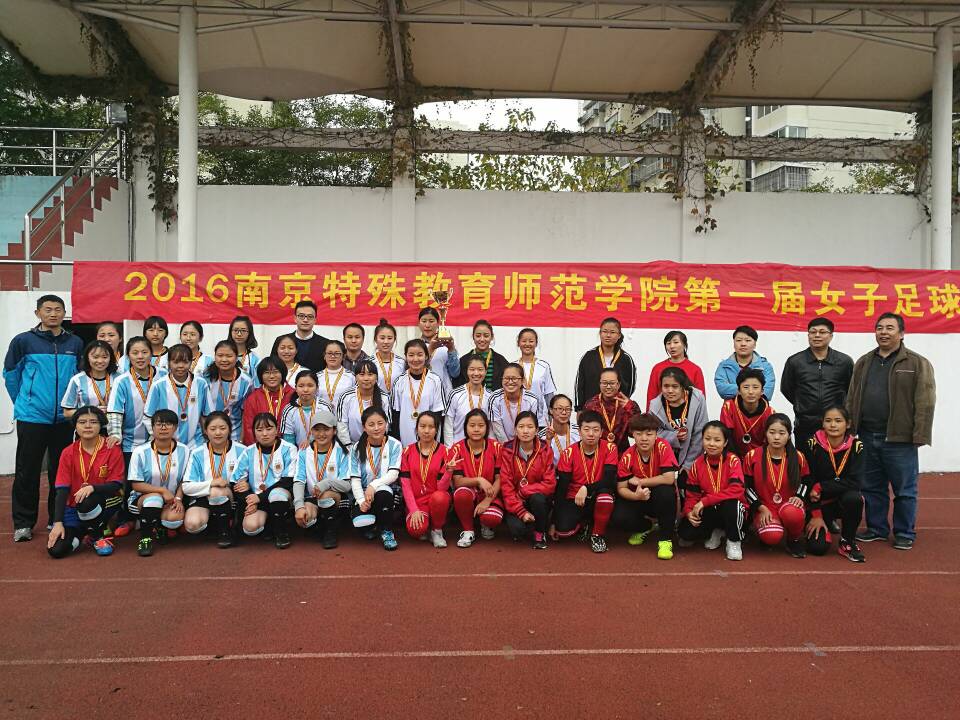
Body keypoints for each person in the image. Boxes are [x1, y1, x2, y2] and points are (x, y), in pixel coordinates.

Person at [846, 312, 936, 551]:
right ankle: (877, 528)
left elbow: (926, 401)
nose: (883, 332)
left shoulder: (916, 363)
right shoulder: (864, 361)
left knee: (904, 490)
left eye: (889, 328)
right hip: (867, 435)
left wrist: (920, 434)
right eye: (879, 328)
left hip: (900, 438)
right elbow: (852, 397)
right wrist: (850, 428)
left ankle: (904, 532)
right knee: (871, 487)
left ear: (902, 333)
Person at [4, 294, 84, 542]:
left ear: (64, 313)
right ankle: (23, 523)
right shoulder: (23, 341)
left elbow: (80, 378)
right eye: (47, 309)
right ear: (37, 313)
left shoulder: (75, 343)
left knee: (60, 472)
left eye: (58, 309)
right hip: (32, 417)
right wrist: (25, 402)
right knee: (27, 471)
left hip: (64, 419)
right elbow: (11, 375)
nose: (53, 314)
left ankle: (55, 518)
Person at [47, 406, 124, 558]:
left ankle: (97, 536)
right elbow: (62, 490)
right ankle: (84, 531)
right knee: (57, 550)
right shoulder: (68, 452)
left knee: (87, 502)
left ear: (101, 425)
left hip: (105, 501)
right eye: (82, 422)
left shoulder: (112, 449)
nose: (88, 426)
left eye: (93, 422)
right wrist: (58, 523)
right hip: (74, 507)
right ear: (75, 426)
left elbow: (116, 485)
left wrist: (92, 488)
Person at [743, 414, 813, 558]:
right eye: (772, 432)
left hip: (788, 505)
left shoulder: (798, 457)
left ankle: (793, 540)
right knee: (771, 536)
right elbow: (746, 487)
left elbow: (806, 481)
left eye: (782, 433)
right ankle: (765, 532)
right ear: (766, 433)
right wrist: (760, 508)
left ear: (788, 435)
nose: (776, 437)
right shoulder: (752, 456)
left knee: (792, 513)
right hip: (765, 507)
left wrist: (799, 497)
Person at [803, 406, 866, 562]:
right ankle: (821, 522)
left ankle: (847, 540)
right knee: (818, 548)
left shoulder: (857, 447)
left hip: (842, 501)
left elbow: (855, 482)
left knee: (854, 499)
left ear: (848, 424)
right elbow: (808, 480)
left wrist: (821, 486)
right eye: (828, 421)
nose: (833, 425)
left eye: (838, 421)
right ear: (822, 423)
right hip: (818, 503)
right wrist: (816, 515)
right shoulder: (812, 444)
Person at [613, 413, 679, 560]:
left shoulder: (663, 446)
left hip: (659, 496)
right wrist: (636, 496)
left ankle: (665, 540)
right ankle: (645, 527)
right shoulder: (627, 456)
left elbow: (668, 478)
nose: (644, 438)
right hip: (639, 497)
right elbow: (621, 488)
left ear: (656, 435)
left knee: (666, 493)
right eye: (639, 434)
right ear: (633, 435)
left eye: (649, 434)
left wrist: (641, 482)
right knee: (618, 517)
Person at [780, 317, 854, 449]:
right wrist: (802, 404)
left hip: (834, 426)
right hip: (805, 424)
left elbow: (851, 390)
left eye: (822, 332)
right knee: (805, 460)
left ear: (831, 336)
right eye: (813, 332)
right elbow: (787, 388)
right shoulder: (795, 361)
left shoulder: (844, 361)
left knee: (835, 461)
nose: (817, 335)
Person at [552, 410, 618, 553]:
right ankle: (585, 523)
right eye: (586, 429)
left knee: (605, 497)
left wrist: (587, 488)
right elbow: (562, 487)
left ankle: (597, 535)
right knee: (563, 531)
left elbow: (608, 480)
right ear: (579, 432)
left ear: (601, 432)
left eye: (595, 430)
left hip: (598, 494)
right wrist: (553, 521)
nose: (591, 434)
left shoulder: (610, 448)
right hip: (576, 498)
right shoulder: (568, 453)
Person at [677, 422, 746, 561]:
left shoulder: (733, 460)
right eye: (707, 439)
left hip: (731, 509)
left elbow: (736, 490)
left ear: (725, 443)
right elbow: (692, 494)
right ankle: (717, 530)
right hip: (709, 508)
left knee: (731, 504)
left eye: (717, 440)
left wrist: (704, 501)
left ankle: (734, 541)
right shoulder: (697, 464)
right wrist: (689, 511)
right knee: (685, 535)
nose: (712, 444)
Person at [127, 410, 190, 557]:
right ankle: (145, 539)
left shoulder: (185, 450)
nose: (163, 427)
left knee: (174, 520)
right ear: (152, 427)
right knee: (155, 499)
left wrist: (178, 498)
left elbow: (184, 480)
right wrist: (162, 491)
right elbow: (136, 485)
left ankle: (160, 526)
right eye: (159, 424)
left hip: (172, 499)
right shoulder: (140, 451)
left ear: (175, 428)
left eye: (168, 424)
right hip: (143, 499)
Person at [232, 412, 300, 549]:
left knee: (277, 495)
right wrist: (250, 500)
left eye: (269, 429)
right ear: (254, 432)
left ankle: (281, 533)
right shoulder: (248, 451)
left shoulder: (289, 449)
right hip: (257, 500)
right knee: (250, 527)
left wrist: (259, 497)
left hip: (280, 498)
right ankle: (268, 524)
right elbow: (235, 482)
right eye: (259, 430)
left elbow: (288, 481)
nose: (264, 434)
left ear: (277, 429)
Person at [182, 411, 243, 548]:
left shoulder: (242, 450)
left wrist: (245, 484)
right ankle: (213, 523)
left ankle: (225, 532)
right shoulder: (197, 453)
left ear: (229, 429)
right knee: (192, 525)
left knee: (217, 492)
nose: (218, 433)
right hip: (204, 497)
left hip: (231, 498)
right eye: (213, 429)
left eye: (222, 428)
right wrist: (211, 483)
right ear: (205, 431)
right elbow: (186, 487)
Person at [294, 409, 351, 549]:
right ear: (311, 431)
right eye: (317, 429)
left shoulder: (342, 452)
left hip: (335, 498)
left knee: (326, 496)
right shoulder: (304, 452)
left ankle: (331, 532)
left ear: (334, 431)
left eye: (326, 429)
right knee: (306, 518)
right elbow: (299, 480)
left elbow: (347, 485)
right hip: (312, 497)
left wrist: (326, 483)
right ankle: (320, 525)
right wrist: (299, 506)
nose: (321, 434)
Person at [499, 411, 556, 549]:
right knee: (517, 531)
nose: (525, 431)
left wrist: (524, 491)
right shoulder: (507, 451)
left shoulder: (545, 450)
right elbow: (506, 486)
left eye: (530, 427)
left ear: (536, 430)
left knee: (538, 499)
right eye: (521, 427)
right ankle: (531, 523)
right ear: (515, 430)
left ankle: (539, 533)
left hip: (537, 499)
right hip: (516, 501)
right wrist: (521, 511)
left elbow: (550, 484)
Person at [349, 407, 403, 551]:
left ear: (386, 424)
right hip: (364, 493)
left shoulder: (395, 444)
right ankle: (372, 524)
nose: (376, 428)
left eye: (380, 423)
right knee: (361, 522)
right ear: (364, 427)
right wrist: (361, 501)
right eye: (371, 424)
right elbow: (355, 479)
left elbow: (393, 474)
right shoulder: (356, 448)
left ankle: (387, 531)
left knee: (383, 493)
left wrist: (373, 486)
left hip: (386, 491)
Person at [400, 411, 455, 548]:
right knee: (416, 530)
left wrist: (448, 472)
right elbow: (405, 485)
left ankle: (437, 530)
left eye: (431, 427)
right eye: (422, 426)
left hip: (435, 499)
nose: (426, 431)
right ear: (416, 428)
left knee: (440, 497)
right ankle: (425, 524)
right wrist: (414, 509)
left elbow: (442, 488)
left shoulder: (445, 452)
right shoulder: (407, 451)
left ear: (436, 430)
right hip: (417, 502)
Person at [451, 409, 503, 547]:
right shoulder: (457, 449)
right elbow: (458, 481)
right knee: (461, 494)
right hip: (469, 492)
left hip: (490, 493)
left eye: (481, 425)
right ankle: (468, 530)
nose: (476, 429)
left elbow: (500, 479)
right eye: (472, 425)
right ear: (465, 427)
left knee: (492, 518)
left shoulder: (496, 447)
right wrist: (479, 480)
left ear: (487, 427)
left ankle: (486, 523)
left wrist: (487, 500)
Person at [143, 344, 211, 450]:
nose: (180, 366)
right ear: (169, 363)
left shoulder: (201, 384)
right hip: (168, 445)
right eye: (176, 362)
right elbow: (148, 417)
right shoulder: (158, 385)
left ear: (191, 362)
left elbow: (208, 416)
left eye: (185, 362)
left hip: (195, 445)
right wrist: (161, 436)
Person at [107, 336, 162, 468]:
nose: (140, 357)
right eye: (135, 353)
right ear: (128, 356)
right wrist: (115, 434)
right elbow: (115, 411)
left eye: (144, 352)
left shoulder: (164, 376)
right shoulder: (122, 381)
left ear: (151, 354)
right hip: (131, 444)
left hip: (161, 441)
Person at [648, 367, 708, 481]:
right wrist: (674, 436)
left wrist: (688, 465)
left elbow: (700, 433)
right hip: (665, 459)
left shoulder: (697, 398)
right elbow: (653, 433)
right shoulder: (655, 406)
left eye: (675, 386)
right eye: (666, 386)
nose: (670, 391)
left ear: (682, 386)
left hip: (694, 457)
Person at [391, 339, 446, 447]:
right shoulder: (399, 381)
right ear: (406, 357)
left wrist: (435, 439)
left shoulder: (435, 380)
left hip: (428, 434)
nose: (415, 359)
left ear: (426, 356)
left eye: (420, 355)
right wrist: (397, 441)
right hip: (405, 433)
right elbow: (395, 413)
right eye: (411, 355)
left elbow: (438, 413)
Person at [574, 317, 637, 411]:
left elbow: (631, 386)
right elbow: (579, 385)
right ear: (600, 333)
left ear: (619, 335)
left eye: (612, 332)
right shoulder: (589, 357)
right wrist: (579, 409)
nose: (608, 335)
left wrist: (623, 405)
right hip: (592, 410)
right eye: (605, 331)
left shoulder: (626, 359)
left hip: (617, 411)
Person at [205, 339, 254, 443]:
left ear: (236, 358)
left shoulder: (246, 381)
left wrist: (241, 439)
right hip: (210, 435)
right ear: (215, 357)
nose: (224, 359)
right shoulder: (206, 378)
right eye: (220, 355)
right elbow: (201, 410)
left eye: (229, 356)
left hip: (235, 435)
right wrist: (206, 434)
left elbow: (245, 414)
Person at [719, 368, 774, 458]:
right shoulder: (729, 407)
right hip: (733, 457)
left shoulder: (770, 413)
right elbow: (726, 437)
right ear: (739, 391)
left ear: (762, 391)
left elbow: (769, 442)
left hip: (759, 458)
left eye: (755, 387)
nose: (751, 392)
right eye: (746, 387)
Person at [583, 367, 641, 453]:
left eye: (612, 383)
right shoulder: (591, 405)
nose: (608, 386)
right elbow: (585, 432)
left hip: (622, 453)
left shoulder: (627, 404)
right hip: (598, 453)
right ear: (599, 384)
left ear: (618, 384)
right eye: (604, 383)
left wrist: (630, 409)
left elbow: (636, 432)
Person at [645, 330, 706, 408]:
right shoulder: (657, 368)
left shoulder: (695, 369)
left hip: (688, 413)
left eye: (676, 342)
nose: (672, 346)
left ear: (684, 345)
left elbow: (701, 398)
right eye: (668, 343)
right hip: (662, 413)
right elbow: (651, 396)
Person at [714, 325, 776, 401]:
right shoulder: (724, 366)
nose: (743, 344)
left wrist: (737, 388)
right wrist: (754, 388)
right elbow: (722, 390)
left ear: (755, 344)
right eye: (739, 340)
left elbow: (767, 393)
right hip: (731, 408)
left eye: (748, 340)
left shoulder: (765, 366)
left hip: (759, 408)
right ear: (733, 343)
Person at [241, 357, 294, 445]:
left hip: (288, 447)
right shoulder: (253, 398)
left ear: (283, 373)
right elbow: (249, 428)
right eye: (267, 373)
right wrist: (256, 449)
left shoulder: (293, 395)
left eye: (276, 372)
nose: (272, 376)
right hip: (261, 448)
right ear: (260, 375)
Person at [336, 359, 390, 444]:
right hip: (352, 446)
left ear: (376, 377)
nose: (366, 378)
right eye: (362, 374)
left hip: (377, 444)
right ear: (355, 377)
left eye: (370, 374)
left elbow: (386, 425)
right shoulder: (346, 397)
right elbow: (342, 425)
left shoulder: (384, 398)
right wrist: (348, 446)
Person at [488, 363, 545, 443]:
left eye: (514, 378)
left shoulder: (532, 400)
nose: (510, 382)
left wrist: (521, 448)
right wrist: (508, 448)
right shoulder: (494, 398)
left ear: (522, 380)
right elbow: (498, 430)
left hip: (525, 444)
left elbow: (533, 427)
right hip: (501, 445)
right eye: (506, 378)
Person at [61, 340, 118, 417]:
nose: (100, 361)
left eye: (105, 357)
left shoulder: (119, 379)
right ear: (87, 357)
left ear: (111, 358)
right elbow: (67, 412)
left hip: (115, 424)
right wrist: (91, 412)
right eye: (95, 357)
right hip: (88, 423)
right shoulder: (77, 380)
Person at [444, 355, 492, 446]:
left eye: (480, 369)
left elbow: (491, 428)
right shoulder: (455, 395)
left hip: (483, 449)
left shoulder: (491, 397)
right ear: (467, 371)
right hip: (459, 448)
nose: (476, 373)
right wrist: (449, 449)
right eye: (472, 369)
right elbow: (448, 425)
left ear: (485, 372)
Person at [271, 300, 329, 372]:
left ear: (315, 320)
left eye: (310, 316)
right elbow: (272, 364)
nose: (305, 320)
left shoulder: (325, 344)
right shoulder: (281, 341)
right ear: (295, 318)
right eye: (301, 316)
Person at [280, 370, 333, 448]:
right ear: (296, 388)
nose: (305, 390)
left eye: (310, 386)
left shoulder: (325, 407)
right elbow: (289, 441)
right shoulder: (289, 410)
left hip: (322, 450)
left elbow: (330, 434)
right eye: (301, 386)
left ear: (317, 388)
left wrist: (312, 443)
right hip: (297, 452)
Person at [456, 320, 508, 391]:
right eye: (478, 336)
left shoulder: (501, 361)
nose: (482, 339)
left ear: (492, 337)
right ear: (473, 337)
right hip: (469, 398)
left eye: (486, 336)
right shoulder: (463, 361)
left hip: (494, 398)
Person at [418, 306, 460, 396]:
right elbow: (413, 369)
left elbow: (455, 373)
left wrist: (451, 349)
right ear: (419, 324)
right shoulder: (415, 346)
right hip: (420, 394)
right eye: (424, 321)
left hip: (443, 395)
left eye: (431, 321)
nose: (427, 325)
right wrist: (430, 349)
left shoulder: (446, 346)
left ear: (438, 323)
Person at [515, 328, 557, 408]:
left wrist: (551, 413)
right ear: (518, 343)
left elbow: (549, 394)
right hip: (517, 412)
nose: (527, 344)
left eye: (531, 341)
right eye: (524, 341)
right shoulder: (513, 366)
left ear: (536, 343)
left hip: (538, 413)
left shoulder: (544, 366)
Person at [539, 394, 580, 465]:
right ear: (551, 410)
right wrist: (548, 441)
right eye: (560, 409)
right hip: (552, 471)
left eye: (568, 409)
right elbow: (541, 462)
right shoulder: (542, 436)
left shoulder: (579, 431)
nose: (564, 412)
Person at [372, 318, 405, 395]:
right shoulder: (369, 363)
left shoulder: (402, 363)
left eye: (390, 338)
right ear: (376, 339)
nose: (386, 342)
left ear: (394, 339)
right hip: (376, 401)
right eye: (382, 338)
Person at [319, 340, 356, 409]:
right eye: (329, 353)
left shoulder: (351, 377)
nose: (333, 356)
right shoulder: (317, 377)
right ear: (324, 356)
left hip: (344, 414)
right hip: (322, 415)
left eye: (337, 353)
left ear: (343, 356)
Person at [228, 315, 261, 385]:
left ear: (249, 333)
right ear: (230, 332)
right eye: (235, 330)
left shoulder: (255, 359)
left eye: (243, 330)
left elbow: (257, 385)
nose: (239, 334)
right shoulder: (223, 356)